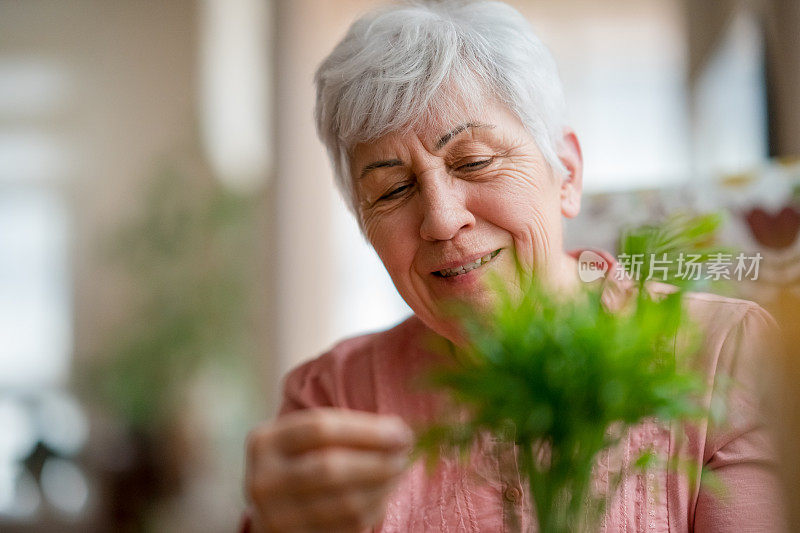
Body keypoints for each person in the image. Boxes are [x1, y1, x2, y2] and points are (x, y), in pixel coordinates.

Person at [242, 1, 786, 531]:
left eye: (474, 162)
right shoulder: (334, 400)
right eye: (392, 189)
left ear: (567, 174)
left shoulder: (723, 358)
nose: (441, 219)